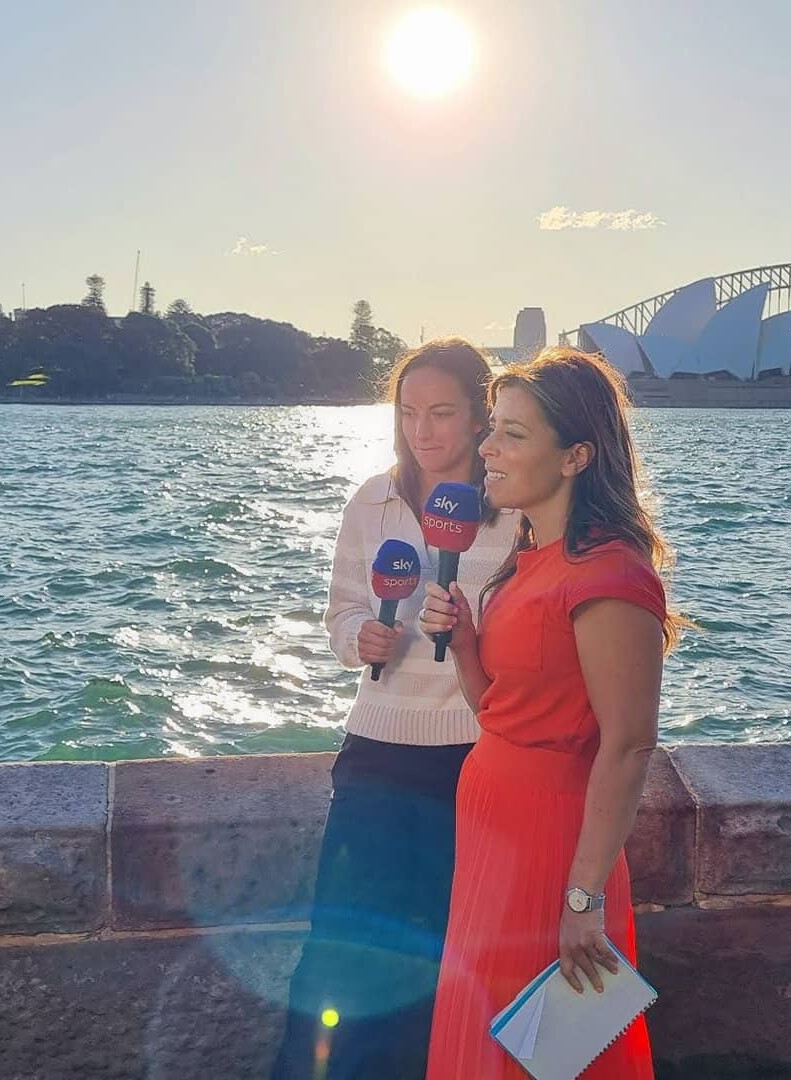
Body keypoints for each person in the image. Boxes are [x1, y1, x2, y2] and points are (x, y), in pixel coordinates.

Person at [420, 347, 685, 1080]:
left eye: (512, 433)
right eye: (492, 429)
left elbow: (629, 746)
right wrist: (467, 644)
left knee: (544, 1050)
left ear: (575, 456)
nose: (487, 448)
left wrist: (583, 897)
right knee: (491, 1032)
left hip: (552, 841)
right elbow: (500, 713)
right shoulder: (528, 561)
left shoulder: (609, 575)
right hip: (490, 825)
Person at [272, 339, 519, 1080]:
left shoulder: (512, 510)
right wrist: (363, 635)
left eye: (442, 412)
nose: (423, 431)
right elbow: (340, 613)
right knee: (341, 941)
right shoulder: (372, 499)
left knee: (451, 950)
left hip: (474, 759)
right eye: (409, 413)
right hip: (376, 751)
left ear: (481, 416)